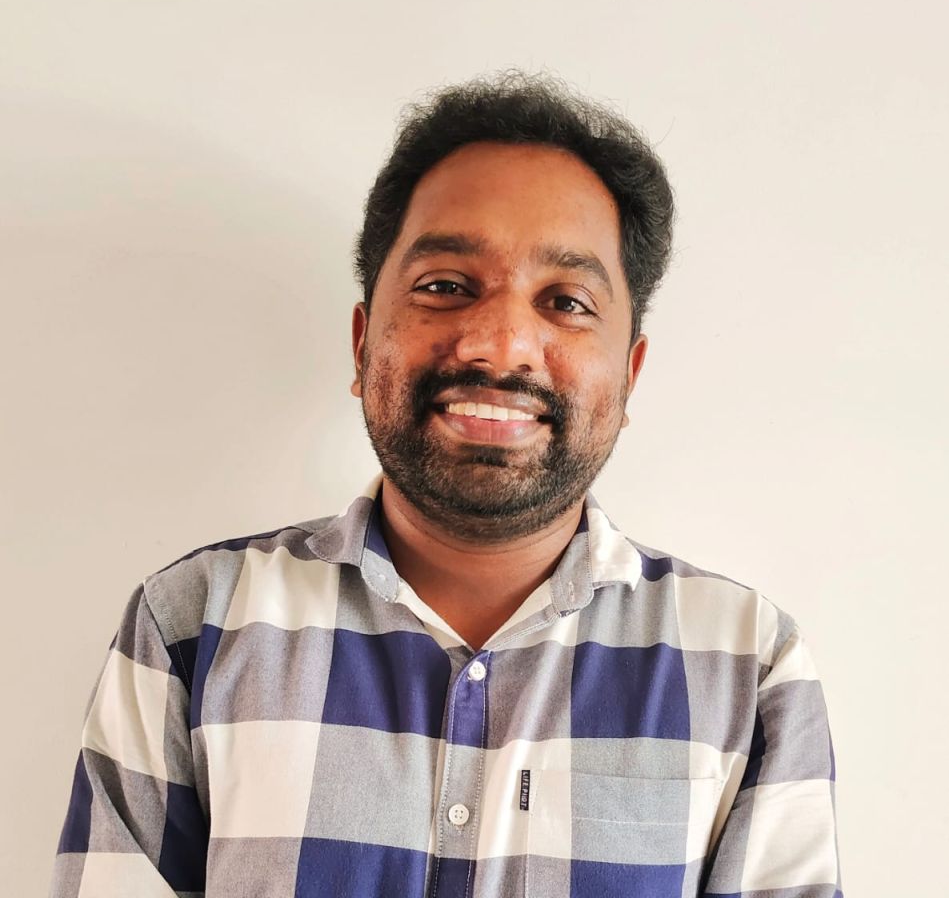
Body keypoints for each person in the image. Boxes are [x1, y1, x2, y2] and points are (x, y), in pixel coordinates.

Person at [51, 73, 842, 898]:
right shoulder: (192, 625)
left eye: (566, 301)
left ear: (629, 373)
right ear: (362, 344)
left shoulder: (746, 664)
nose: (499, 345)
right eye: (444, 287)